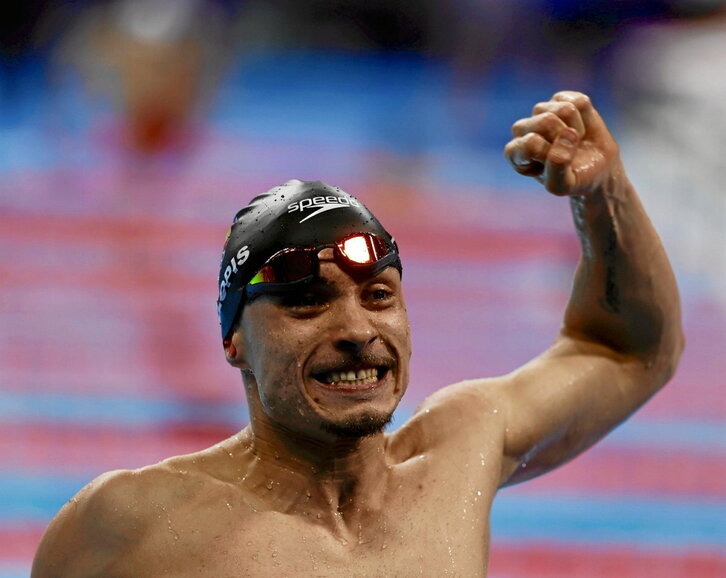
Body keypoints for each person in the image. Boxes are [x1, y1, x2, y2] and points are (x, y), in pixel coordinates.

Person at [31, 91, 683, 577]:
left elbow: (628, 348)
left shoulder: (458, 455)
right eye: (306, 304)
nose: (356, 331)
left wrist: (602, 195)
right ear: (234, 343)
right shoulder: (131, 525)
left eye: (378, 296)